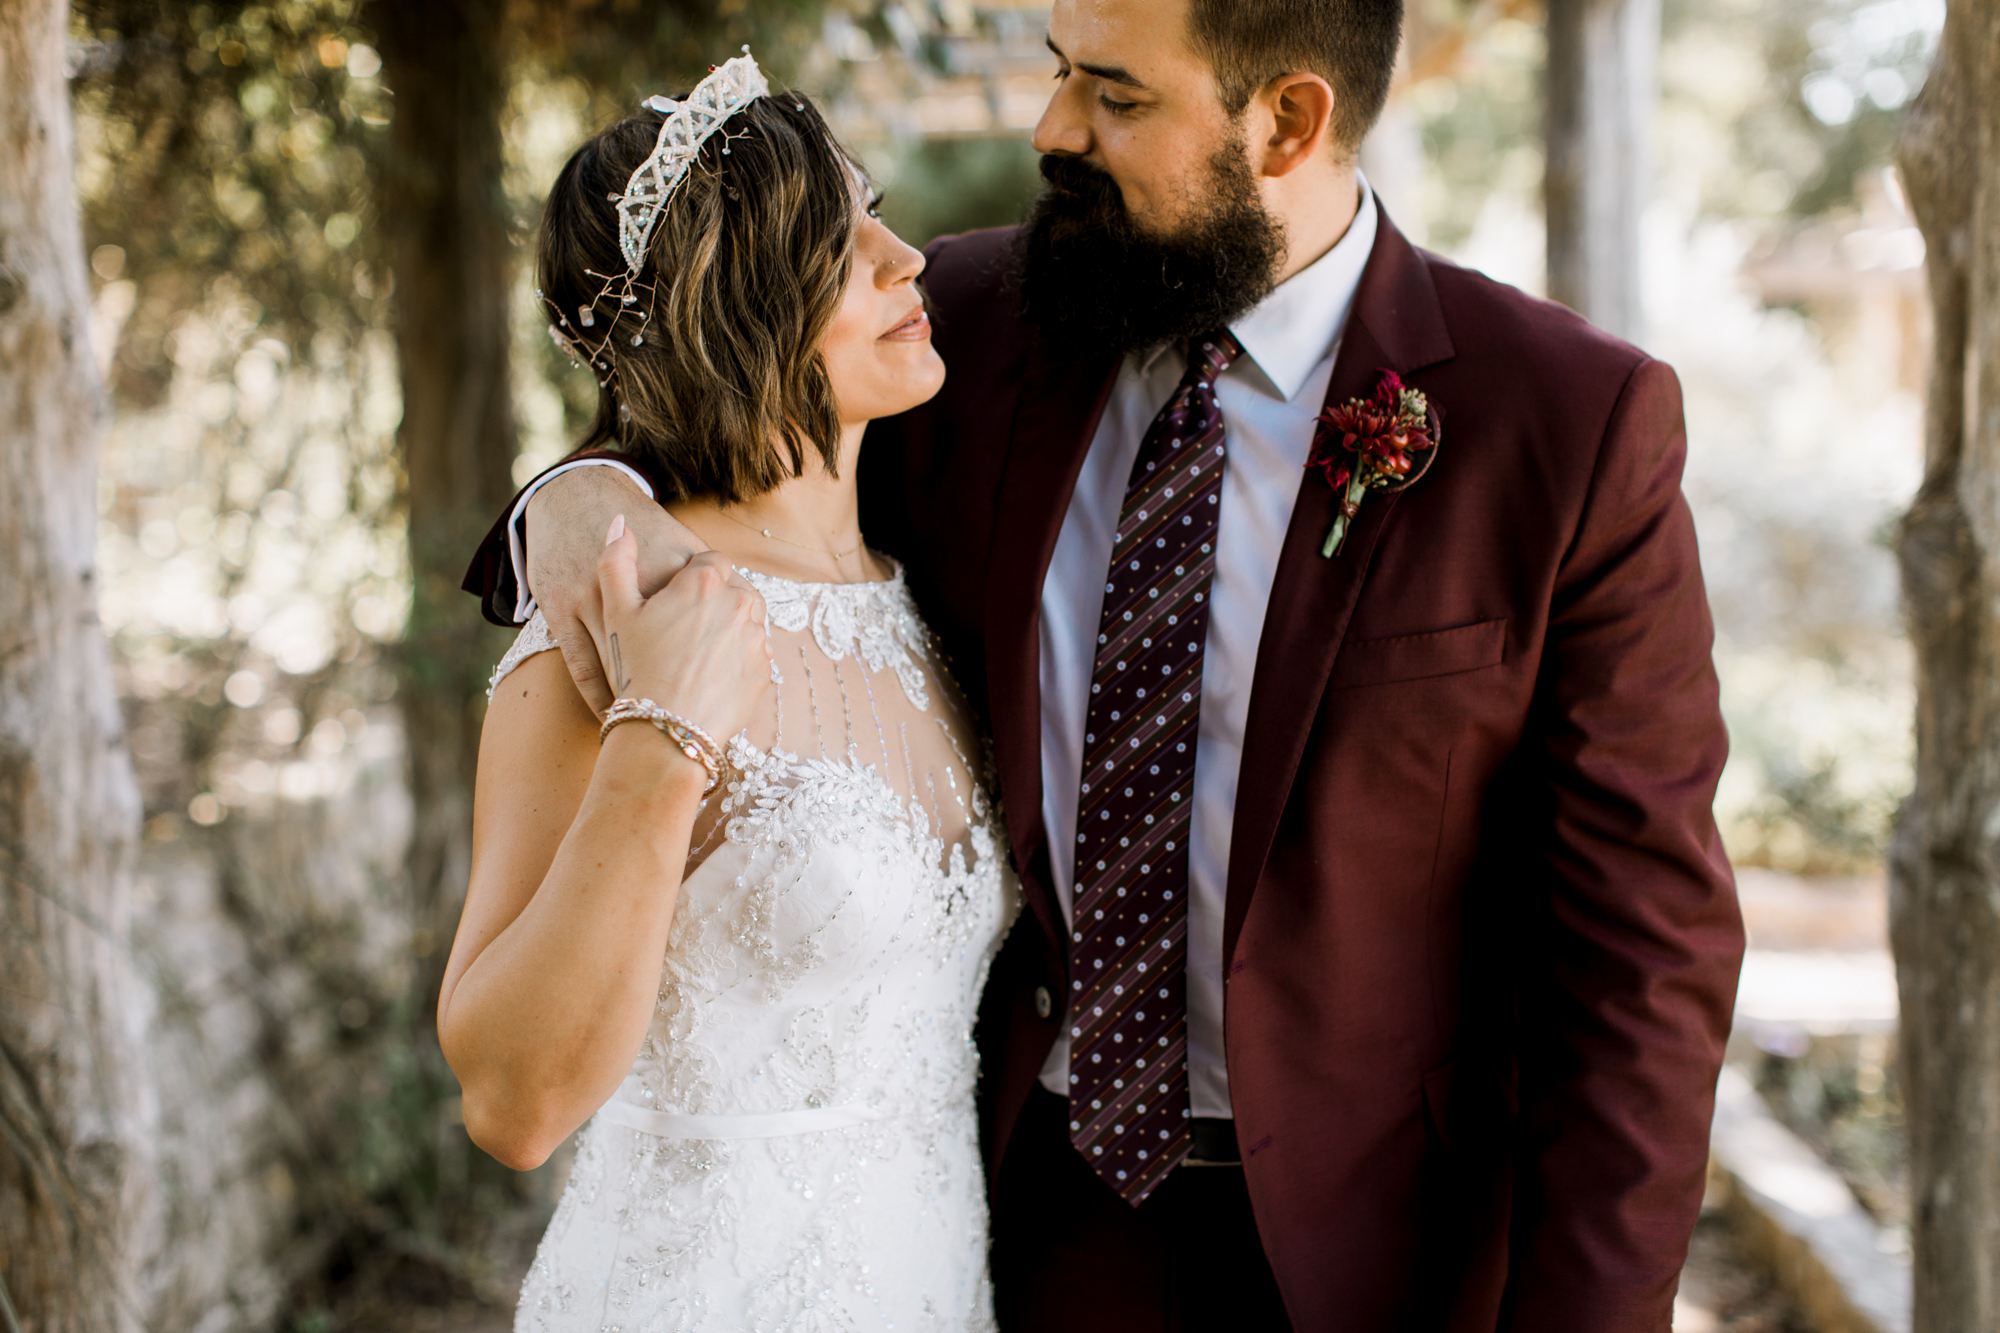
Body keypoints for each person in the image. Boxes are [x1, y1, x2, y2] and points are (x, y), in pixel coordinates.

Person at [465, 0, 1746, 1327]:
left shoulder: (1564, 422)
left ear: (1288, 122)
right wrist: (575, 496)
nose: (1051, 128)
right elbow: (707, 396)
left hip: (1388, 1255)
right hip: (1028, 1217)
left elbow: (1641, 962)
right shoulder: (959, 325)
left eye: (1117, 98)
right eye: (1061, 71)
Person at [439, 57, 1017, 1330]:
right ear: (729, 305)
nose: (904, 257)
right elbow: (512, 1103)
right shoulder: (608, 630)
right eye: (836, 241)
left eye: (875, 211)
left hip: (931, 1283)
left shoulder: (916, 597)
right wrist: (664, 736)